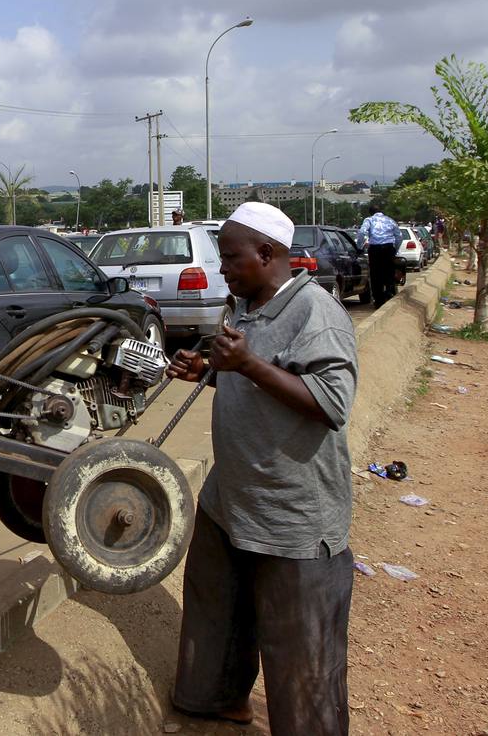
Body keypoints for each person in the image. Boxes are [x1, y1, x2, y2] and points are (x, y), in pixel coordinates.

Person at [167, 202, 357, 736]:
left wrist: (247, 364)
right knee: (216, 612)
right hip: (230, 497)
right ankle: (218, 700)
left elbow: (330, 403)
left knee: (302, 647)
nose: (221, 267)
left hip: (290, 507)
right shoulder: (248, 305)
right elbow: (252, 376)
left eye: (230, 257)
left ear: (268, 254)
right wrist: (206, 369)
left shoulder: (315, 312)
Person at [356, 201, 399, 307]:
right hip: (389, 249)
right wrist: (395, 249)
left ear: (370, 212)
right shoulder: (390, 220)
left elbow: (362, 232)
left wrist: (359, 246)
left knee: (375, 275)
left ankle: (378, 299)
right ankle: (390, 292)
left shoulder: (369, 220)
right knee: (389, 272)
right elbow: (399, 236)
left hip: (375, 250)